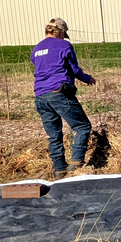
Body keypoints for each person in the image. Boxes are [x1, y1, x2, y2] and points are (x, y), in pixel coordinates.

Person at [31, 18, 96, 179]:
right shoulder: (64, 45)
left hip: (40, 96)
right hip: (59, 93)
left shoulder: (36, 49)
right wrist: (88, 79)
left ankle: (59, 170)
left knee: (54, 135)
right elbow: (74, 69)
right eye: (63, 34)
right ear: (60, 31)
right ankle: (76, 164)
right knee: (82, 126)